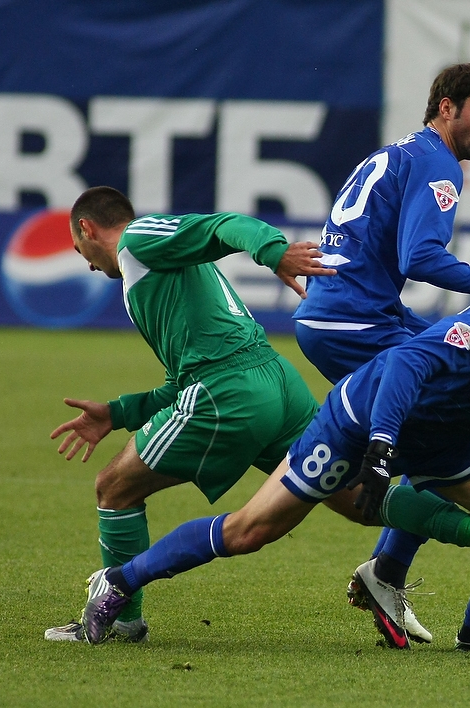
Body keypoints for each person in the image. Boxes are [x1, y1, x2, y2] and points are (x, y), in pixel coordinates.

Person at [78, 229, 470, 653]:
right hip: (360, 421)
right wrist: (381, 445)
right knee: (251, 531)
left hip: (442, 439)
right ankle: (120, 582)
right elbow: (406, 363)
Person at [294, 63, 470, 647]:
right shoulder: (438, 163)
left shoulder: (401, 152)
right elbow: (420, 258)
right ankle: (389, 566)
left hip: (348, 311)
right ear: (446, 108)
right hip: (353, 321)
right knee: (452, 424)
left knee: (458, 401)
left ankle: (387, 566)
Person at [44, 185, 335, 643]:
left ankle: (123, 622)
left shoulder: (138, 239)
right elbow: (179, 381)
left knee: (114, 487)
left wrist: (273, 252)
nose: (88, 264)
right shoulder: (159, 268)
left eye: (79, 249)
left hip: (230, 392)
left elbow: (224, 224)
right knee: (357, 496)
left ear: (87, 228)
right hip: (277, 379)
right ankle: (454, 537)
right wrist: (117, 413)